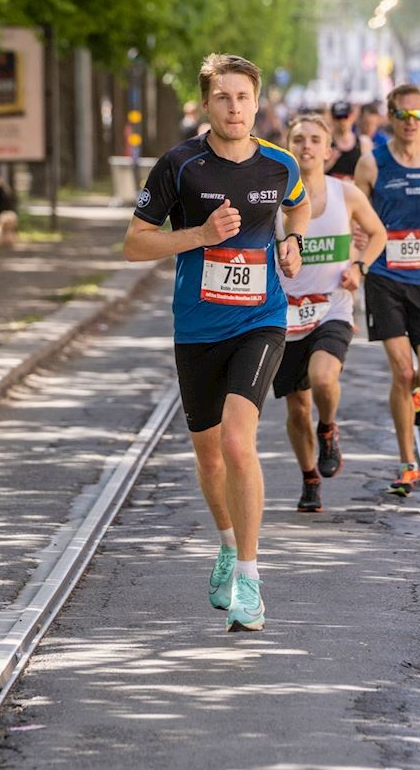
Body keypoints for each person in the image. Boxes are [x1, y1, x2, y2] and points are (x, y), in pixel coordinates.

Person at [124, 53, 309, 633]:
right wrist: (200, 236)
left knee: (236, 442)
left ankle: (250, 577)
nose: (235, 108)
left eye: (245, 98)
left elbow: (297, 207)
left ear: (258, 103)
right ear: (208, 104)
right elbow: (134, 244)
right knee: (208, 455)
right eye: (224, 98)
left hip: (261, 320)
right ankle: (228, 545)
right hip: (197, 328)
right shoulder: (180, 166)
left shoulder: (280, 165)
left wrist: (293, 242)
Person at [353, 85, 420, 497]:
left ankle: (417, 394)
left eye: (418, 116)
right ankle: (407, 464)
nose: (411, 123)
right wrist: (354, 254)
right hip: (384, 277)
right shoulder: (372, 163)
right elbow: (354, 214)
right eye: (403, 116)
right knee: (402, 370)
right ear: (391, 117)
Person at [276, 113, 386, 514]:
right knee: (296, 407)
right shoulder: (274, 198)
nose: (306, 145)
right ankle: (309, 479)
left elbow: (378, 233)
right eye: (298, 139)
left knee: (324, 379)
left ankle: (329, 429)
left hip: (333, 306)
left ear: (328, 149)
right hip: (286, 316)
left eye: (314, 139)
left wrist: (359, 267)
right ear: (288, 147)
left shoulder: (347, 194)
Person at [325, 101, 370, 181]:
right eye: (338, 118)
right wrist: (329, 163)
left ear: (352, 117)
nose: (342, 122)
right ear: (332, 119)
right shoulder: (325, 143)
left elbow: (370, 173)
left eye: (346, 117)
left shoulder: (363, 143)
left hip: (355, 190)